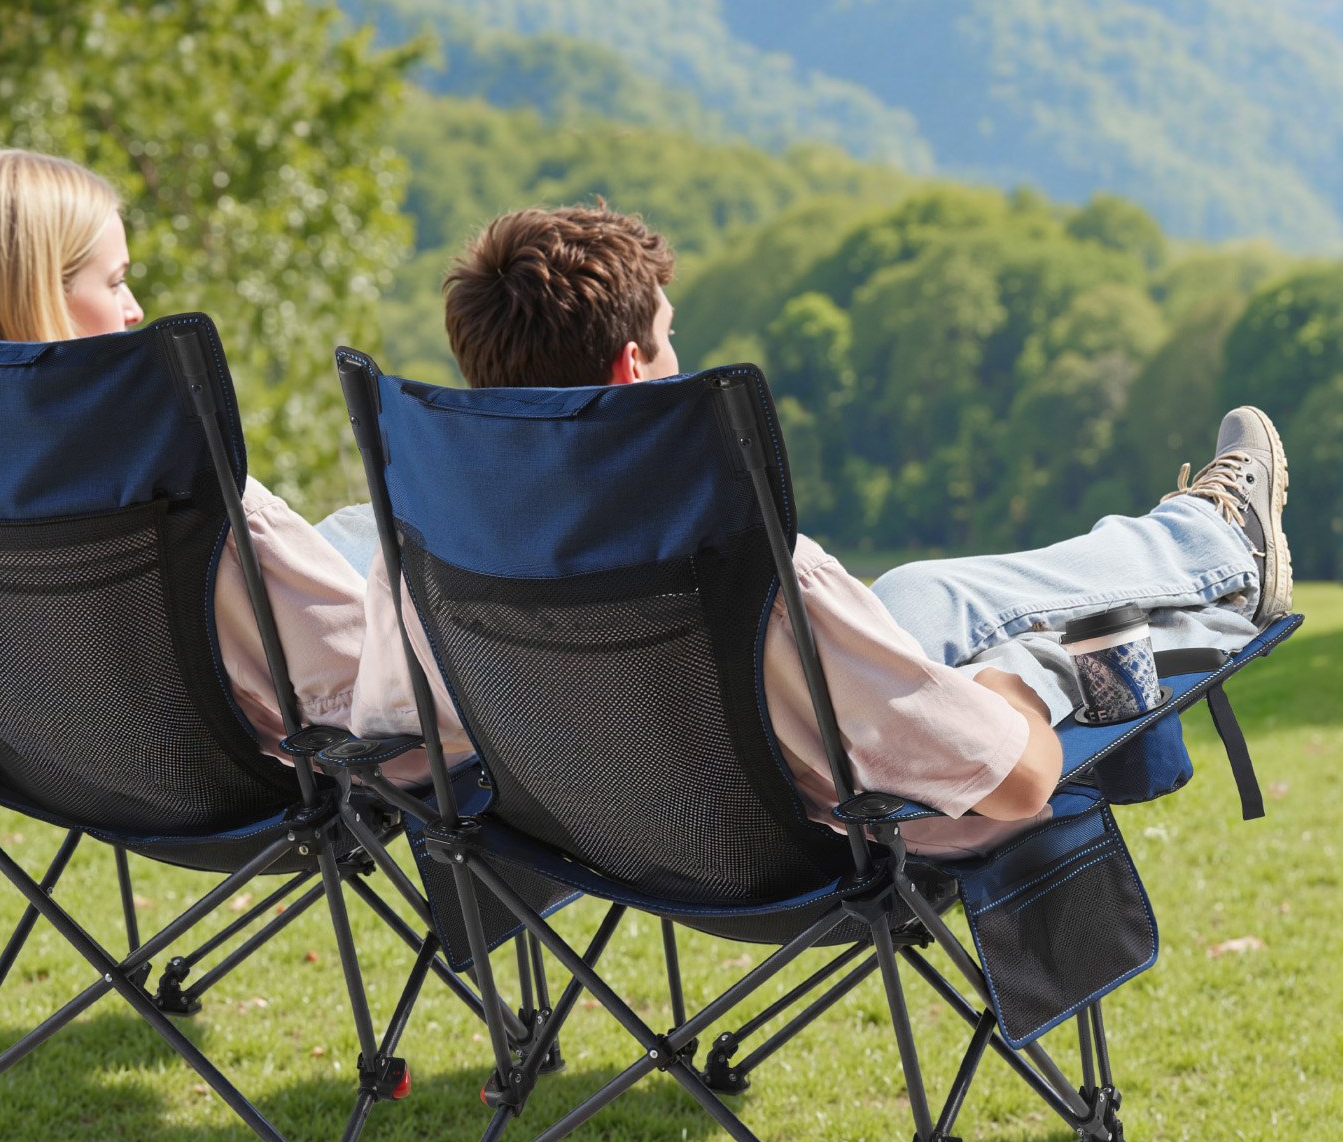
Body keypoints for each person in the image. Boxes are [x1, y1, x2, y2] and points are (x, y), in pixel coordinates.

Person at [349, 205, 1290, 856]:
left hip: (585, 828)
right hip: (801, 841)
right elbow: (1017, 785)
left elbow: (397, 741)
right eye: (673, 337)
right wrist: (1019, 687)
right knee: (996, 624)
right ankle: (1218, 547)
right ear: (633, 369)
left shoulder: (431, 546)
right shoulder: (745, 565)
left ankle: (1197, 542)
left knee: (929, 592)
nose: (683, 355)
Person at [0, 148, 367, 753]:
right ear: (40, 292)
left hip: (45, 768)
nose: (134, 308)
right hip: (227, 780)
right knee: (372, 539)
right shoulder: (173, 477)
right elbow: (367, 686)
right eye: (115, 280)